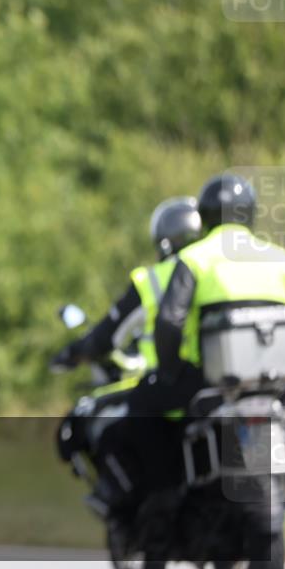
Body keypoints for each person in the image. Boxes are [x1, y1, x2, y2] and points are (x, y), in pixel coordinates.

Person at [124, 173, 285, 569]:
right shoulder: (281, 258)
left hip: (216, 388)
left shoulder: (196, 257)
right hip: (277, 390)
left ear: (205, 215)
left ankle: (160, 509)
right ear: (249, 213)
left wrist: (172, 374)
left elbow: (170, 322)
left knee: (141, 416)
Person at [52, 197, 202, 512]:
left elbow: (104, 337)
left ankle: (153, 507)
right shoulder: (216, 271)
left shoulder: (155, 280)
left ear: (163, 239)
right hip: (214, 383)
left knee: (105, 431)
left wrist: (75, 353)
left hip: (166, 384)